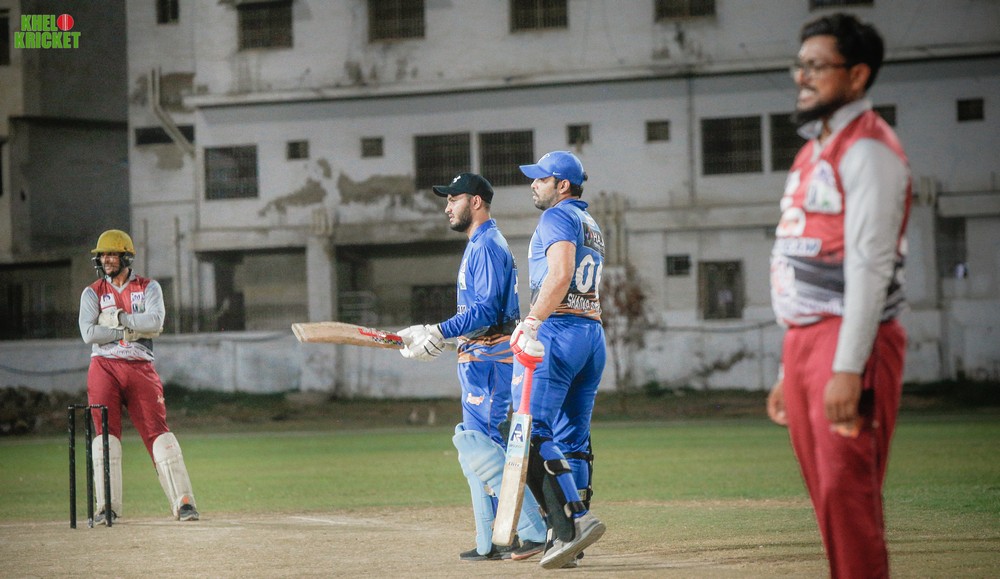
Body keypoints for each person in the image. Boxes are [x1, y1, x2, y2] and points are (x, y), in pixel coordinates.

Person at [766, 14, 911, 579]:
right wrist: (790, 366)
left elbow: (872, 265)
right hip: (804, 341)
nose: (802, 77)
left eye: (817, 66)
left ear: (857, 75)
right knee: (826, 497)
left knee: (847, 495)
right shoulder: (813, 150)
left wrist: (848, 367)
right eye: (800, 65)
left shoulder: (869, 149)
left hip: (846, 338)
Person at [397, 173, 548, 561]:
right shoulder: (479, 244)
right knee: (474, 449)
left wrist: (439, 330)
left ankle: (532, 530)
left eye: (454, 199)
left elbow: (485, 312)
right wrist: (448, 339)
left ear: (476, 201)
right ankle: (492, 540)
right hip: (478, 359)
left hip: (491, 362)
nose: (447, 207)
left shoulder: (487, 245)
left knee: (486, 449)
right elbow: (480, 315)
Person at [510, 151, 607, 569]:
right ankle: (568, 543)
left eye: (541, 178)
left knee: (530, 431)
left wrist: (532, 320)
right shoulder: (590, 222)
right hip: (591, 333)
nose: (534, 184)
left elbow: (561, 273)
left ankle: (573, 523)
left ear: (562, 185)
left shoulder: (556, 216)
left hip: (558, 331)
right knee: (573, 442)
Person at [79, 229, 200, 523]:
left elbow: (156, 322)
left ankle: (184, 502)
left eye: (112, 254)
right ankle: (106, 507)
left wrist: (118, 319)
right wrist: (131, 330)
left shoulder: (149, 287)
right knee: (105, 438)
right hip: (104, 367)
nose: (106, 260)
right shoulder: (92, 292)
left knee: (159, 434)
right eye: (103, 255)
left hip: (140, 366)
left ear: (126, 256)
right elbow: (89, 333)